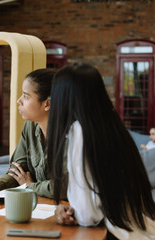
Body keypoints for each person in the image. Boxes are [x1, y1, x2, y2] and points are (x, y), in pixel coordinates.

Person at [48, 63, 155, 239]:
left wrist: (72, 214)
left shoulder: (80, 131)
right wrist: (70, 209)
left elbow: (88, 215)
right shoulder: (112, 125)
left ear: (63, 97)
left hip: (113, 233)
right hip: (139, 230)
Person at [0, 68, 66, 199]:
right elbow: (16, 173)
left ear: (47, 104)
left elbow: (65, 187)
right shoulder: (30, 126)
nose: (19, 100)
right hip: (39, 206)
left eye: (26, 96)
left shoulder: (71, 134)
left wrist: (30, 186)